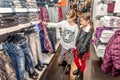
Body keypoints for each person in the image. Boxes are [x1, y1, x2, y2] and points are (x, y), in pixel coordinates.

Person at [42, 9, 79, 74]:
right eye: (67, 17)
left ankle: (69, 66)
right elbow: (56, 24)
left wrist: (74, 47)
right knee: (62, 54)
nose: (67, 19)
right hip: (64, 44)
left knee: (70, 57)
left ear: (73, 17)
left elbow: (76, 38)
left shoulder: (75, 27)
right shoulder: (64, 23)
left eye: (69, 18)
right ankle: (64, 61)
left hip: (71, 46)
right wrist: (47, 24)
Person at [73, 13, 94, 80]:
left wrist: (81, 51)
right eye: (80, 21)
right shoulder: (82, 27)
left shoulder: (89, 30)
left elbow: (86, 42)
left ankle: (81, 74)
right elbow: (78, 36)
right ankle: (79, 69)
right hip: (78, 47)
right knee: (75, 60)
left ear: (87, 21)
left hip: (84, 50)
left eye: (82, 21)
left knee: (82, 62)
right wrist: (76, 45)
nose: (80, 22)